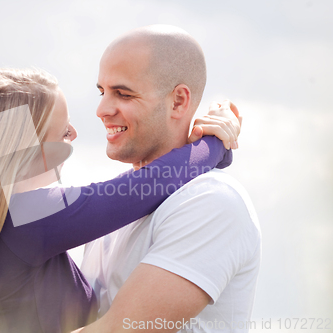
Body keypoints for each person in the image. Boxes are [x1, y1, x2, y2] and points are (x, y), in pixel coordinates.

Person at [0, 68, 239, 333]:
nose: (73, 137)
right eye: (62, 132)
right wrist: (215, 143)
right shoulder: (25, 219)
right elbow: (148, 185)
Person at [76, 25, 260, 333]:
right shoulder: (115, 207)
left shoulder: (211, 202)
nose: (102, 109)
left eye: (123, 93)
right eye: (102, 92)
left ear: (178, 101)